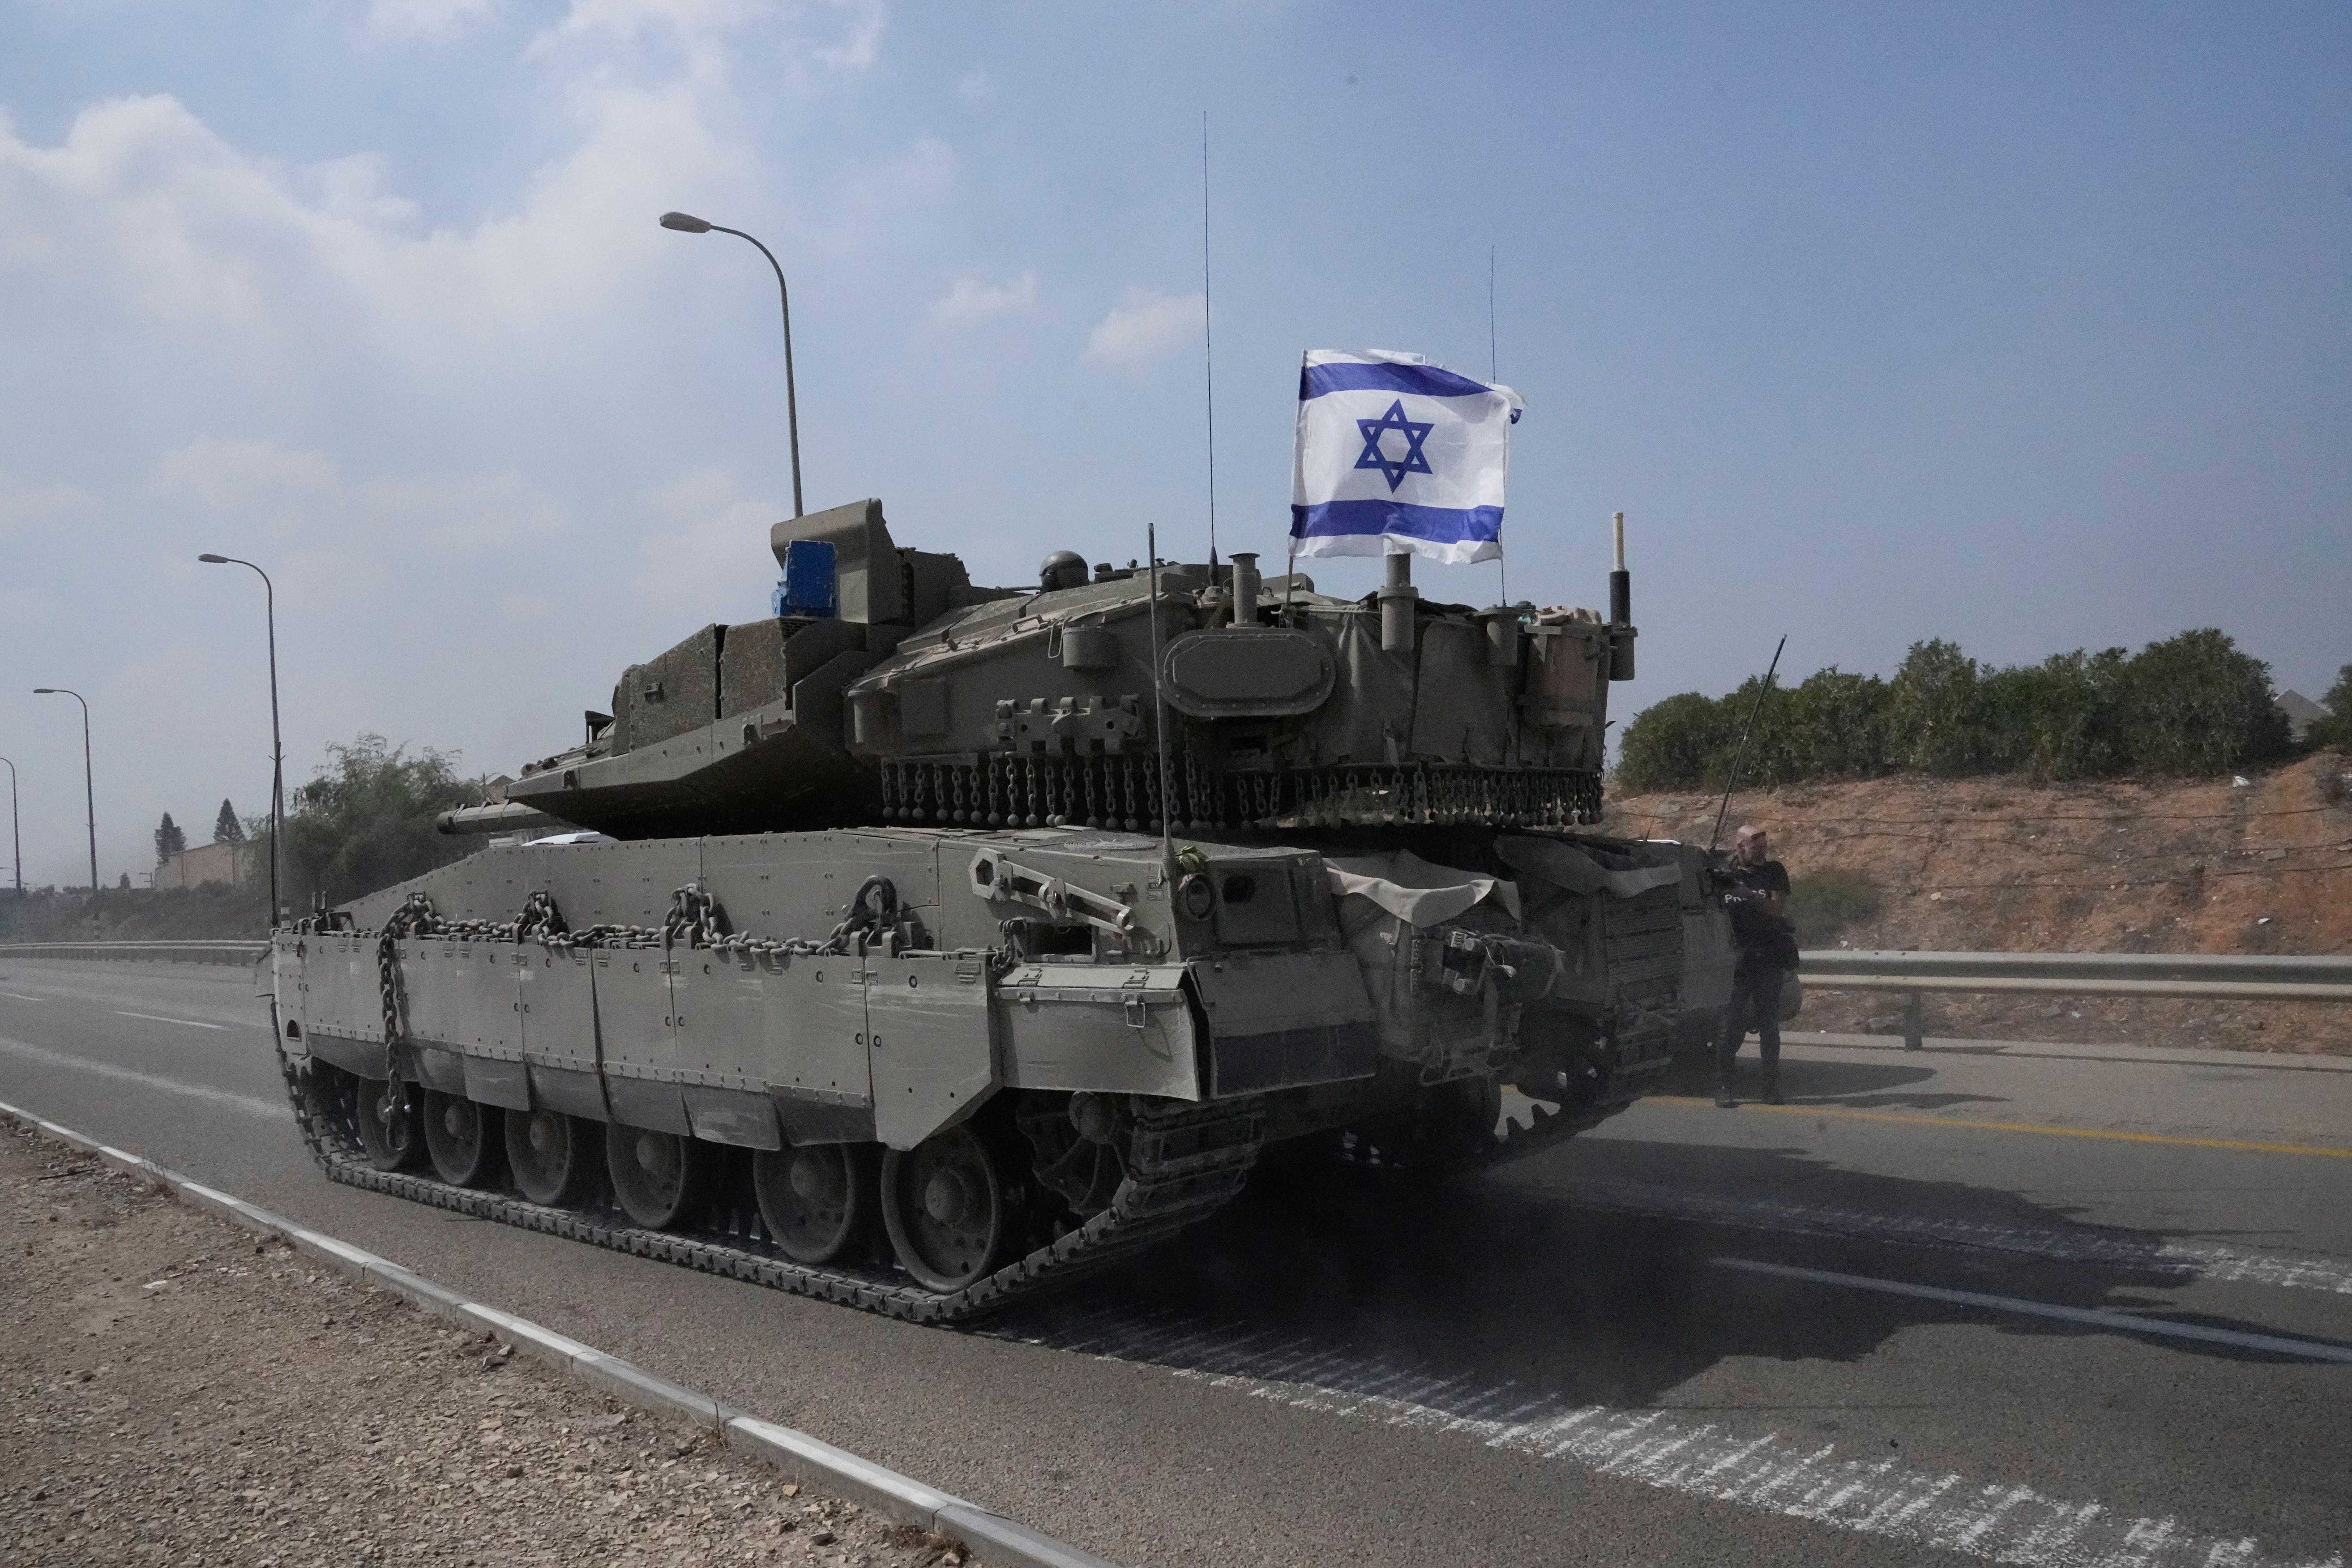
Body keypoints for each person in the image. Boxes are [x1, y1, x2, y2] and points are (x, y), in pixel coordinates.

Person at [1715, 824, 1793, 1107]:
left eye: (1764, 848)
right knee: (1732, 1027)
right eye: (1755, 847)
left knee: (1769, 1026)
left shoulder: (1773, 872)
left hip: (1768, 957)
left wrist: (1746, 893)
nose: (1761, 853)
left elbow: (1777, 908)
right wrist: (1728, 881)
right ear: (1740, 847)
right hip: (1737, 961)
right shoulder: (1724, 876)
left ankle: (1770, 1088)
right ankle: (1724, 1086)